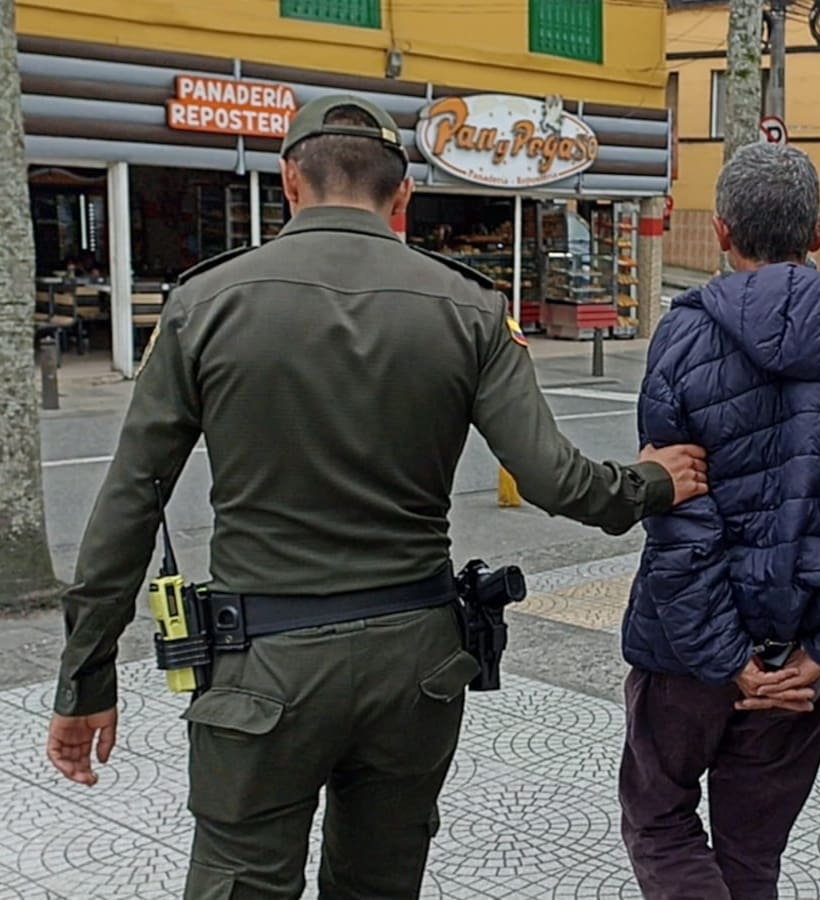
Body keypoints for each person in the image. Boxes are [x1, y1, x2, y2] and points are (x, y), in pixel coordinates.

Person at [45, 95, 709, 900]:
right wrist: (651, 482)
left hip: (263, 669)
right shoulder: (470, 307)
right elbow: (554, 478)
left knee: (239, 882)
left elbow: (130, 499)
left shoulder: (204, 304)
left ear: (290, 182)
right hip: (417, 663)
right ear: (403, 198)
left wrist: (87, 681)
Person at [619, 142, 820, 900]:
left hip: (683, 646)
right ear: (818, 231)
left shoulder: (683, 333)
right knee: (752, 854)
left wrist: (721, 655)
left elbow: (677, 510)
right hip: (799, 643)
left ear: (720, 231)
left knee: (660, 820)